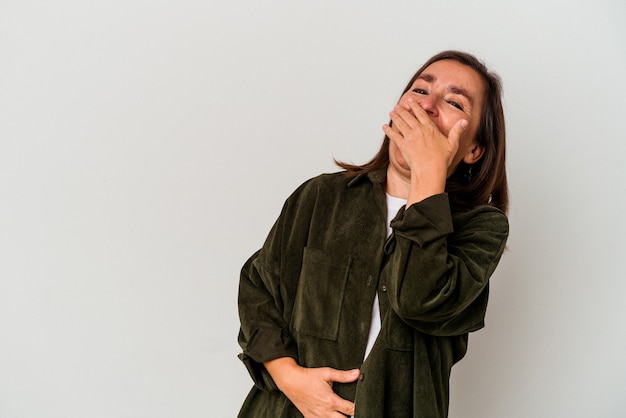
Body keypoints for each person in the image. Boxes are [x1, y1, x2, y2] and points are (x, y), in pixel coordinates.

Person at [237, 50, 509, 418]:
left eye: (454, 102)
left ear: (474, 149)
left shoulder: (482, 228)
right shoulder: (321, 196)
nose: (427, 106)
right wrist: (289, 377)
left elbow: (418, 299)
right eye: (418, 90)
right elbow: (258, 291)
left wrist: (429, 176)